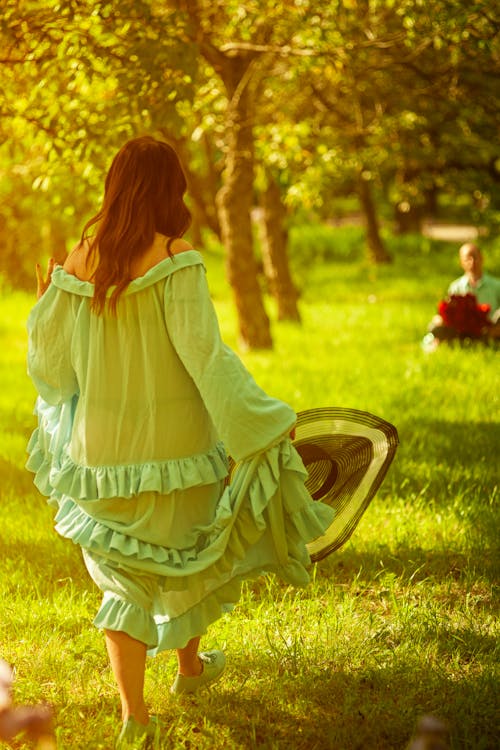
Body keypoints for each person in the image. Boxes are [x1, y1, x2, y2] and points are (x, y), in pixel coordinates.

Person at [26, 136, 334, 748]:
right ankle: (181, 674)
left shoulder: (78, 259)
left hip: (101, 457)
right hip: (177, 449)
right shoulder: (175, 256)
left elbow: (53, 370)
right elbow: (205, 358)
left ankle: (141, 713)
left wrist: (49, 304)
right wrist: (263, 420)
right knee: (191, 552)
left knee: (123, 581)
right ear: (172, 190)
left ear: (114, 187)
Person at [426, 242, 500, 345]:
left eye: (475, 257)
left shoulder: (496, 285)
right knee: (436, 323)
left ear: (482, 258)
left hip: (490, 329)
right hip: (461, 330)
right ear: (461, 262)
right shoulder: (456, 287)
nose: (472, 262)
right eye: (467, 259)